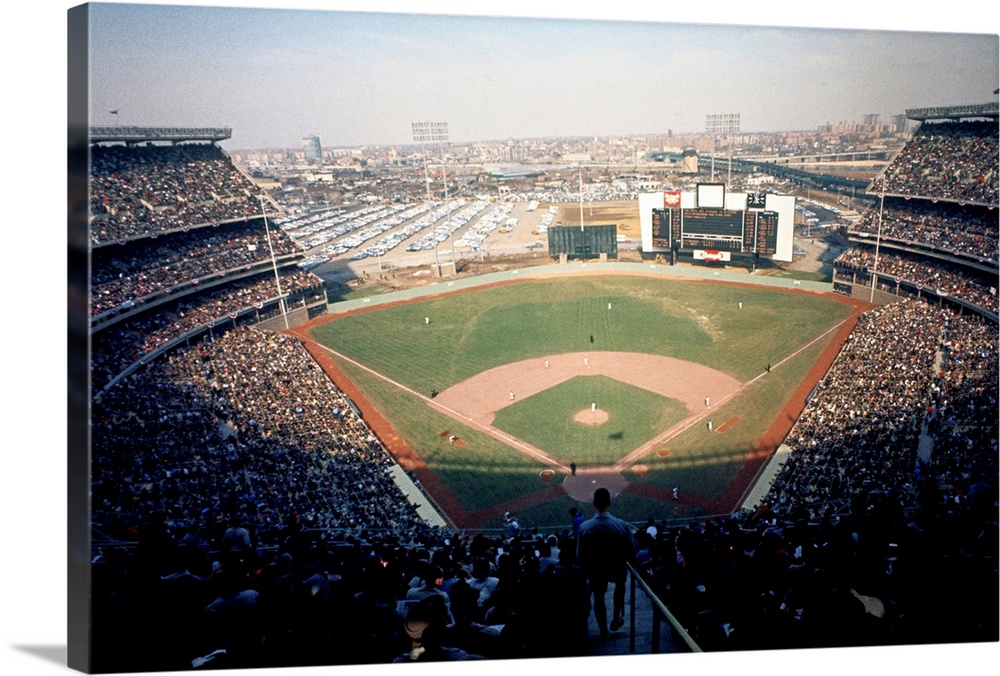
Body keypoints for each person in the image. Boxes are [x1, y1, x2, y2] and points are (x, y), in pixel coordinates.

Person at [576, 487, 637, 639]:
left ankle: (603, 630)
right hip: (617, 567)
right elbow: (633, 548)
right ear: (609, 502)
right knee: (620, 586)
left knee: (598, 597)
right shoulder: (620, 524)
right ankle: (616, 618)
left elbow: (579, 555)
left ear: (594, 504)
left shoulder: (584, 527)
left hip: (596, 570)